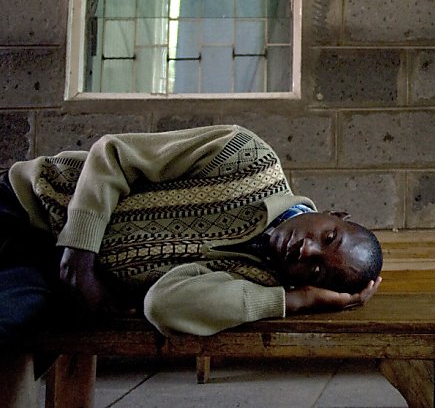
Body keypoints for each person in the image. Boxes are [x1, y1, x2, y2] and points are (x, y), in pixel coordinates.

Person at [0, 124, 382, 405]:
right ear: (334, 212)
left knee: (12, 328)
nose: (308, 251)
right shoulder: (247, 157)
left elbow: (163, 305)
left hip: (43, 281)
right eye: (328, 237)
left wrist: (294, 301)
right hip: (27, 205)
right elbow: (114, 154)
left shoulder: (253, 282)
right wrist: (80, 251)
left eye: (316, 272)